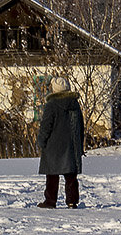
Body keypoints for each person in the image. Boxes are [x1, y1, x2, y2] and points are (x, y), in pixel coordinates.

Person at [36, 76, 85, 209]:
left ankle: (50, 201)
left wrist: (42, 141)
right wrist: (80, 144)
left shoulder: (51, 105)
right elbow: (80, 125)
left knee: (52, 175)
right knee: (70, 176)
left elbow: (46, 125)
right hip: (71, 145)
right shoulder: (74, 104)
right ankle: (72, 201)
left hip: (53, 145)